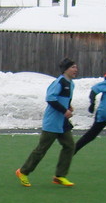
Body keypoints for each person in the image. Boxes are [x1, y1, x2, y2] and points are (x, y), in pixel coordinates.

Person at [15, 59, 78, 187]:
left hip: (62, 123)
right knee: (42, 149)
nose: (75, 69)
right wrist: (64, 110)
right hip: (52, 123)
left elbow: (64, 99)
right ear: (65, 69)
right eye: (73, 67)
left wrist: (69, 106)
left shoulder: (71, 84)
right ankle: (23, 172)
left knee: (70, 146)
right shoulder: (59, 82)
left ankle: (60, 176)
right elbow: (50, 98)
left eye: (76, 67)